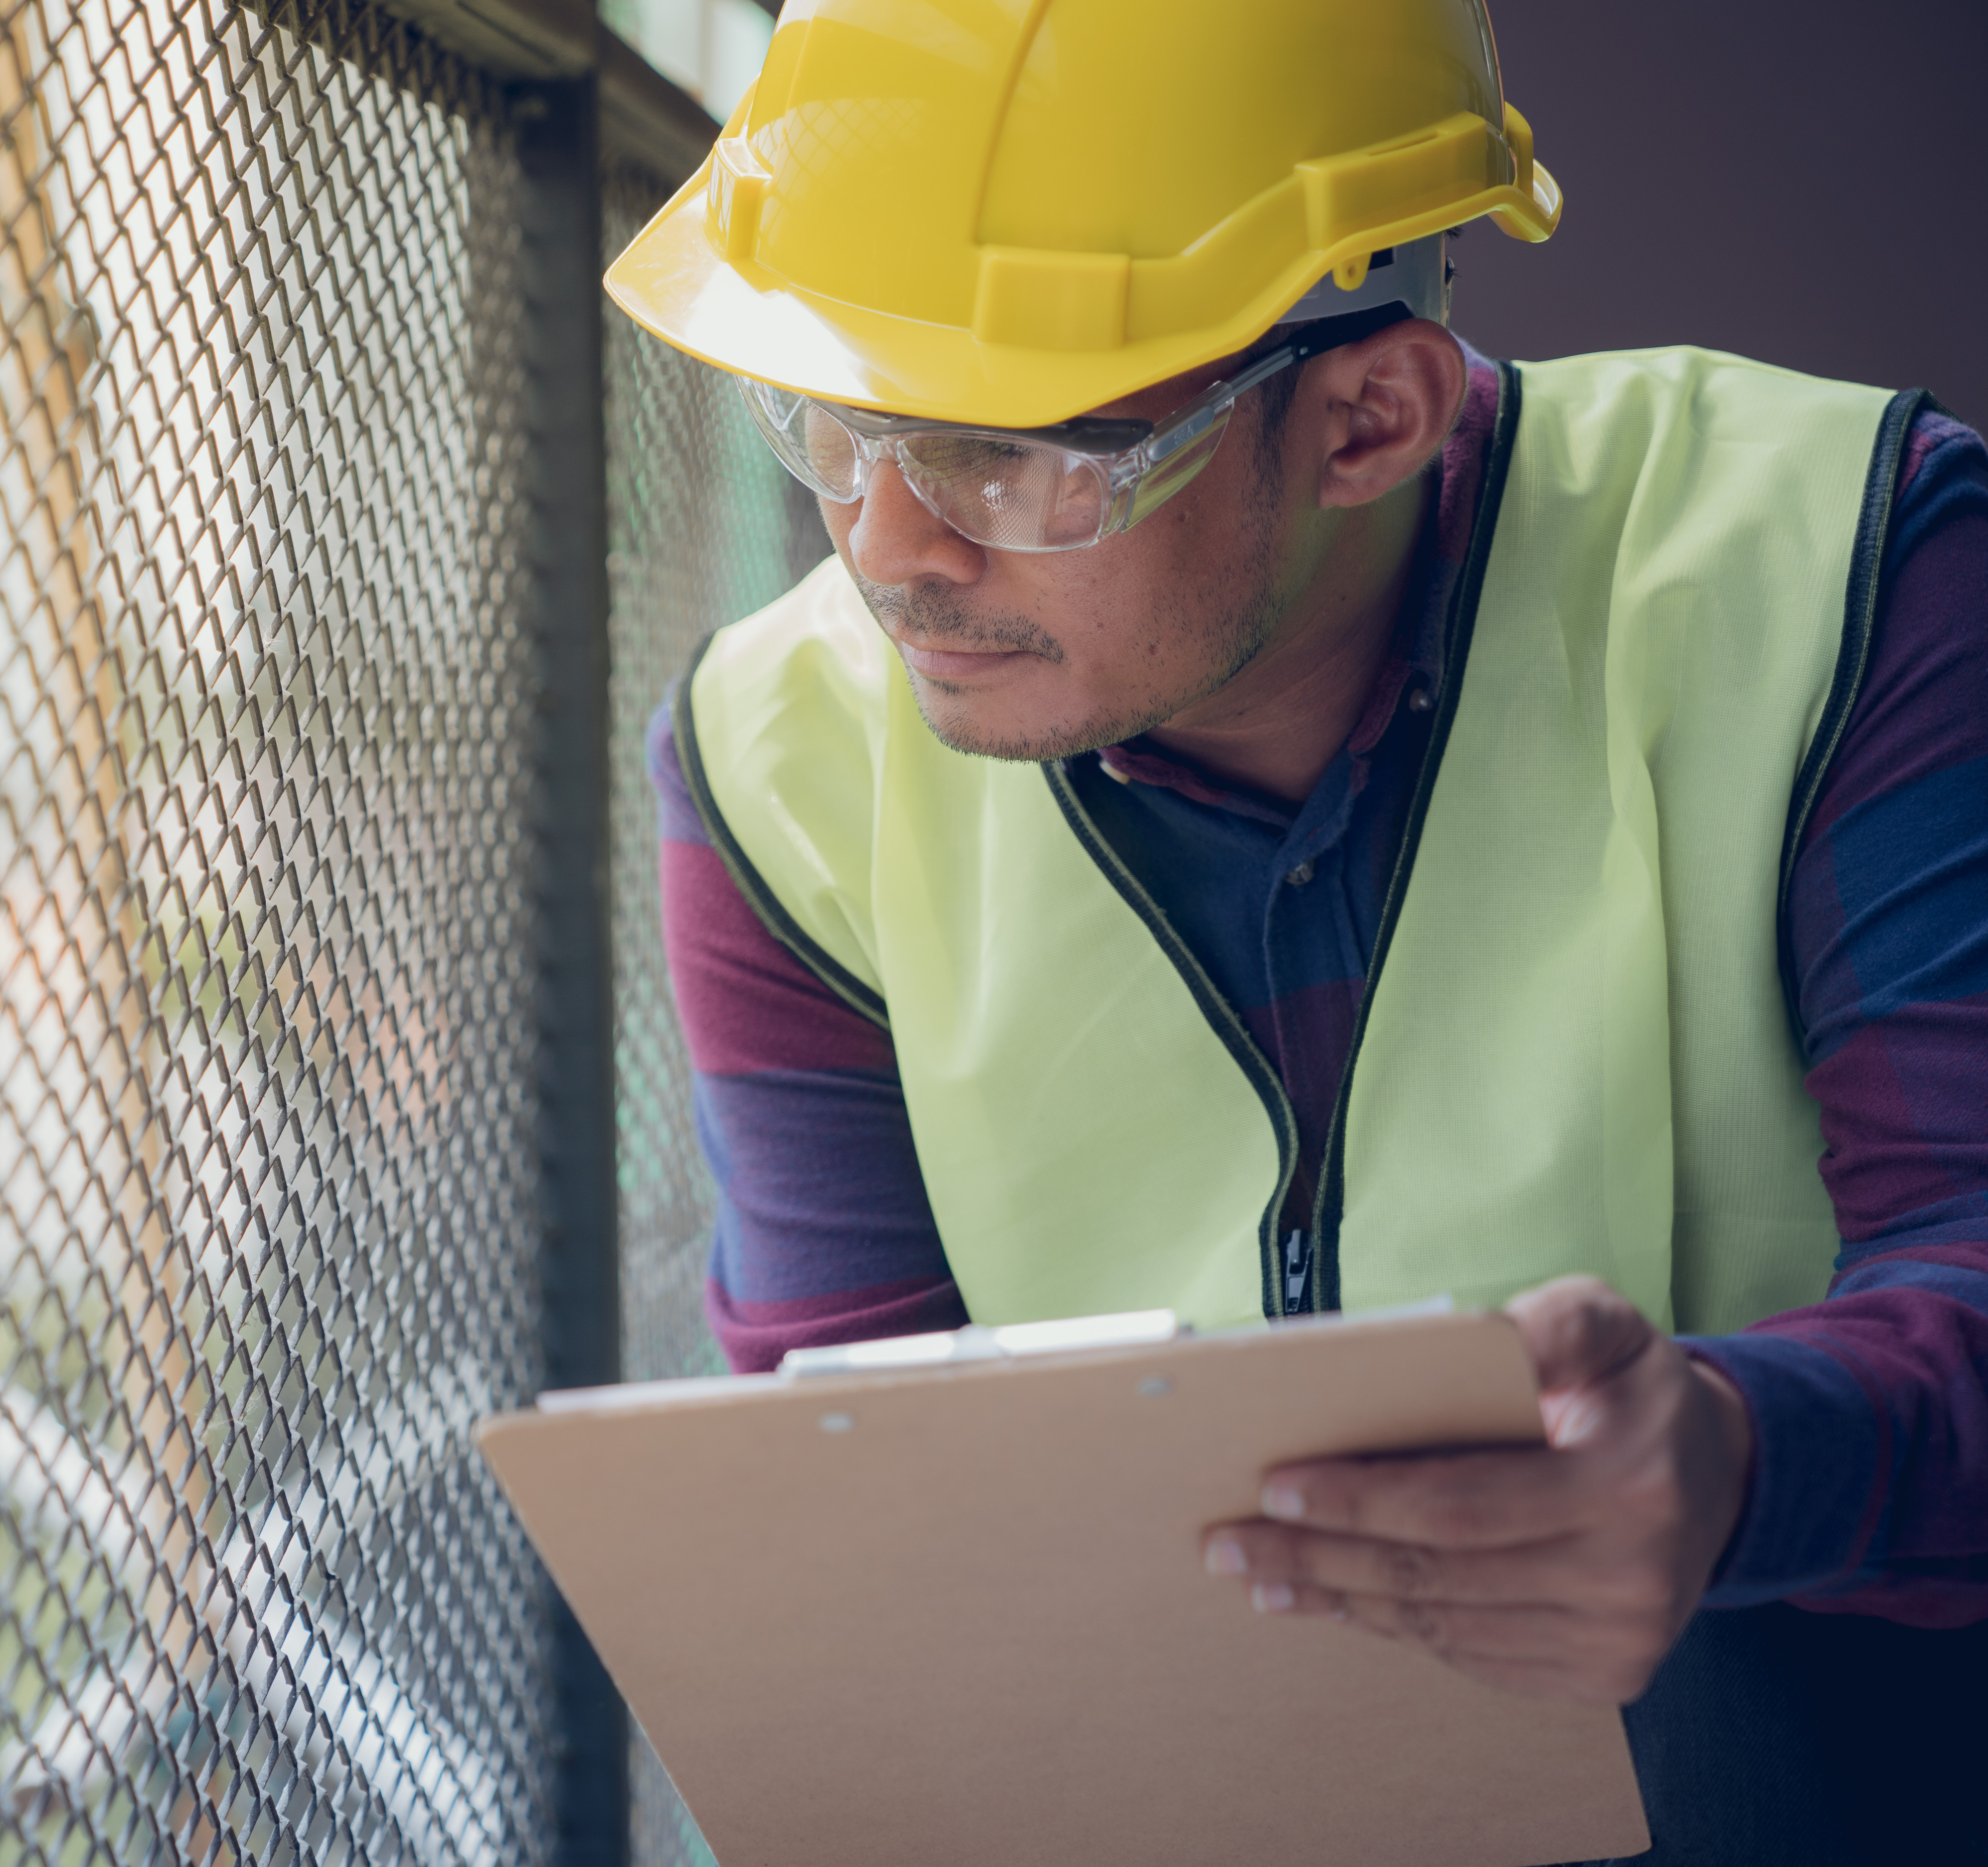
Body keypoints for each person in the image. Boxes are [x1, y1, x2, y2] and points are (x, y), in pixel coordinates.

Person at [616, 1, 1988, 1859]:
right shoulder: (769, 763)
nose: (884, 554)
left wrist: (1736, 1465)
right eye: (831, 427)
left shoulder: (1840, 563)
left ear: (1366, 415)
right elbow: (870, 1480)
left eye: (1005, 458)